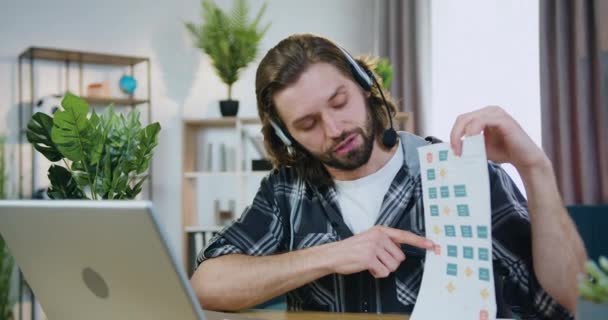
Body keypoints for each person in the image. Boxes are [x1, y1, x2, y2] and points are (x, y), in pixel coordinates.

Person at [190, 34, 586, 319]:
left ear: (365, 87)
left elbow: (569, 300)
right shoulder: (286, 192)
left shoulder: (458, 172)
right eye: (308, 123)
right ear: (284, 136)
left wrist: (535, 167)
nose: (333, 129)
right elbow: (206, 285)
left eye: (339, 102)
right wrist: (330, 255)